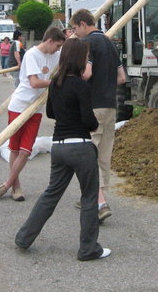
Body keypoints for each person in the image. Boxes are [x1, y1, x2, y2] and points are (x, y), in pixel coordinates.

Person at [15, 38, 111, 261]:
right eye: (85, 56)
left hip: (58, 147)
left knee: (51, 194)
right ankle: (88, 249)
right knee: (89, 198)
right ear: (79, 58)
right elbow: (88, 121)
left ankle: (23, 237)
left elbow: (50, 113)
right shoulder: (81, 85)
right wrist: (94, 124)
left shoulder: (55, 83)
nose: (87, 59)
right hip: (80, 147)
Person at [0, 27, 65, 201]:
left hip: (36, 109)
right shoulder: (32, 55)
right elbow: (34, 82)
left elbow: (69, 54)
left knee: (26, 150)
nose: (59, 49)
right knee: (15, 149)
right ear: (50, 41)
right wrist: (57, 84)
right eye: (58, 45)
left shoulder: (57, 55)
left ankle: (6, 184)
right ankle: (16, 187)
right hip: (19, 106)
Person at [71, 9, 126, 222]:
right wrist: (105, 85)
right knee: (103, 154)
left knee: (88, 155)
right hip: (111, 105)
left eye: (75, 29)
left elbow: (87, 73)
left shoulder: (88, 44)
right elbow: (121, 77)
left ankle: (100, 202)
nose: (75, 33)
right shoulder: (110, 43)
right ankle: (89, 196)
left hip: (94, 106)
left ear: (83, 23)